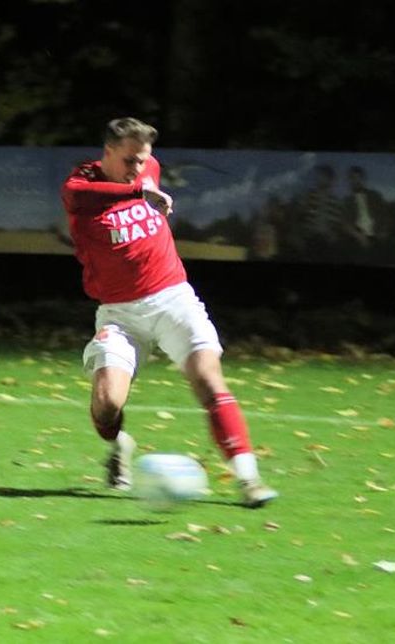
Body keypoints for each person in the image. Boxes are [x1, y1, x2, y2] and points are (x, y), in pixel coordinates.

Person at [60, 117, 277, 508]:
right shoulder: (81, 185)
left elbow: (145, 176)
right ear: (108, 152)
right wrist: (141, 191)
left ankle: (249, 480)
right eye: (129, 160)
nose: (137, 168)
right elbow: (86, 194)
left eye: (142, 160)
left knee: (209, 380)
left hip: (173, 299)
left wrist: (144, 183)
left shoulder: (148, 171)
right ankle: (120, 445)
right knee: (107, 405)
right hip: (120, 314)